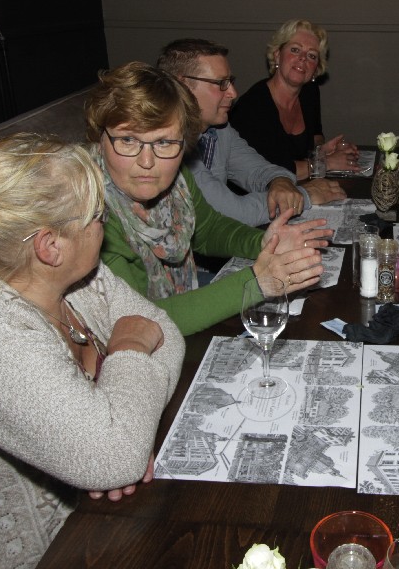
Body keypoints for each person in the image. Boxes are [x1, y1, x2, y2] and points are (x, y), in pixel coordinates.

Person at [0, 133, 186, 569]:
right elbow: (116, 455)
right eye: (97, 215)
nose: (105, 224)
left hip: (94, 520)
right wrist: (129, 355)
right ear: (50, 246)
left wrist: (131, 425)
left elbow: (166, 332)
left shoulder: (76, 278)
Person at [86, 62, 331, 335]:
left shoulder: (177, 178)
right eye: (128, 140)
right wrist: (257, 282)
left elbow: (207, 228)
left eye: (164, 142)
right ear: (100, 137)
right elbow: (138, 322)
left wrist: (263, 242)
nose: (147, 162)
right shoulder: (89, 212)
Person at [156, 38, 346, 226]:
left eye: (230, 81)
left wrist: (279, 181)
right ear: (182, 86)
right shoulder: (168, 145)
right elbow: (232, 213)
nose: (233, 93)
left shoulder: (219, 130)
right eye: (221, 83)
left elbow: (258, 169)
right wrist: (306, 195)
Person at [228, 18, 360, 179]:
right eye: (295, 50)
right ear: (277, 55)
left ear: (316, 69)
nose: (303, 58)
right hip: (257, 191)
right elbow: (270, 170)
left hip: (296, 188)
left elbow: (316, 135)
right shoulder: (253, 106)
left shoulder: (309, 92)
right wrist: (325, 163)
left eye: (312, 55)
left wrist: (321, 151)